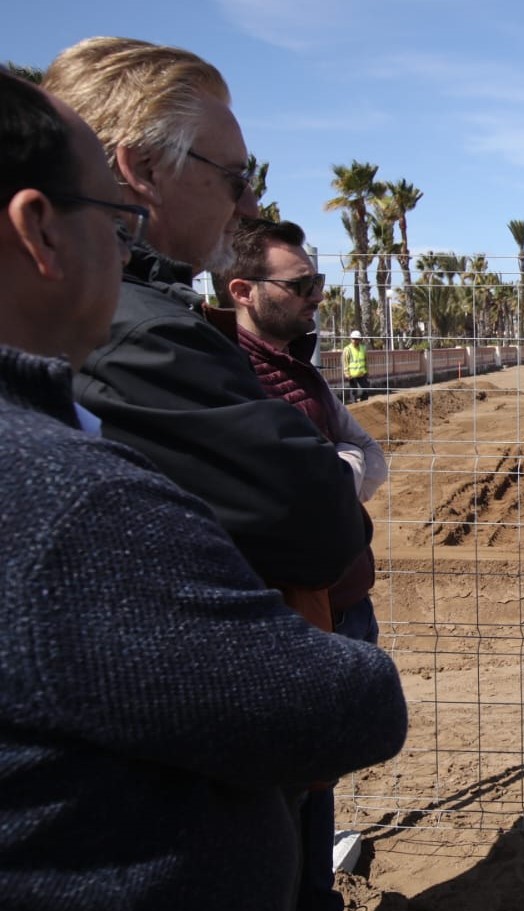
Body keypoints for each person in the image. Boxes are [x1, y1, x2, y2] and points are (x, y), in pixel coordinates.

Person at [0, 70, 408, 911]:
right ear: (40, 231)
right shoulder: (66, 497)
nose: (250, 198)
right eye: (111, 217)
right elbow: (340, 703)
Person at [42, 37, 367, 626]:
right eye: (234, 177)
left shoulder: (98, 314)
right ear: (142, 170)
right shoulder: (139, 337)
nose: (248, 204)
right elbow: (321, 526)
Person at [218, 217, 406, 911]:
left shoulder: (303, 370)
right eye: (300, 287)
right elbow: (286, 491)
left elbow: (369, 458)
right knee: (279, 789)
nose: (316, 298)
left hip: (338, 595)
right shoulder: (232, 375)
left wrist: (331, 475)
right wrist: (333, 478)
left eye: (318, 283)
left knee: (318, 772)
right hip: (289, 606)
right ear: (242, 290)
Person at [342, 330, 370, 401]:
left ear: (360, 339)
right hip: (352, 375)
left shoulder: (363, 348)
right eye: (353, 339)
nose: (355, 340)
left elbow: (366, 361)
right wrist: (346, 373)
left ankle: (364, 403)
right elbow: (345, 362)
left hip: (362, 373)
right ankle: (354, 404)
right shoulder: (347, 349)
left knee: (366, 389)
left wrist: (367, 371)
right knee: (354, 391)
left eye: (357, 339)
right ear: (351, 339)